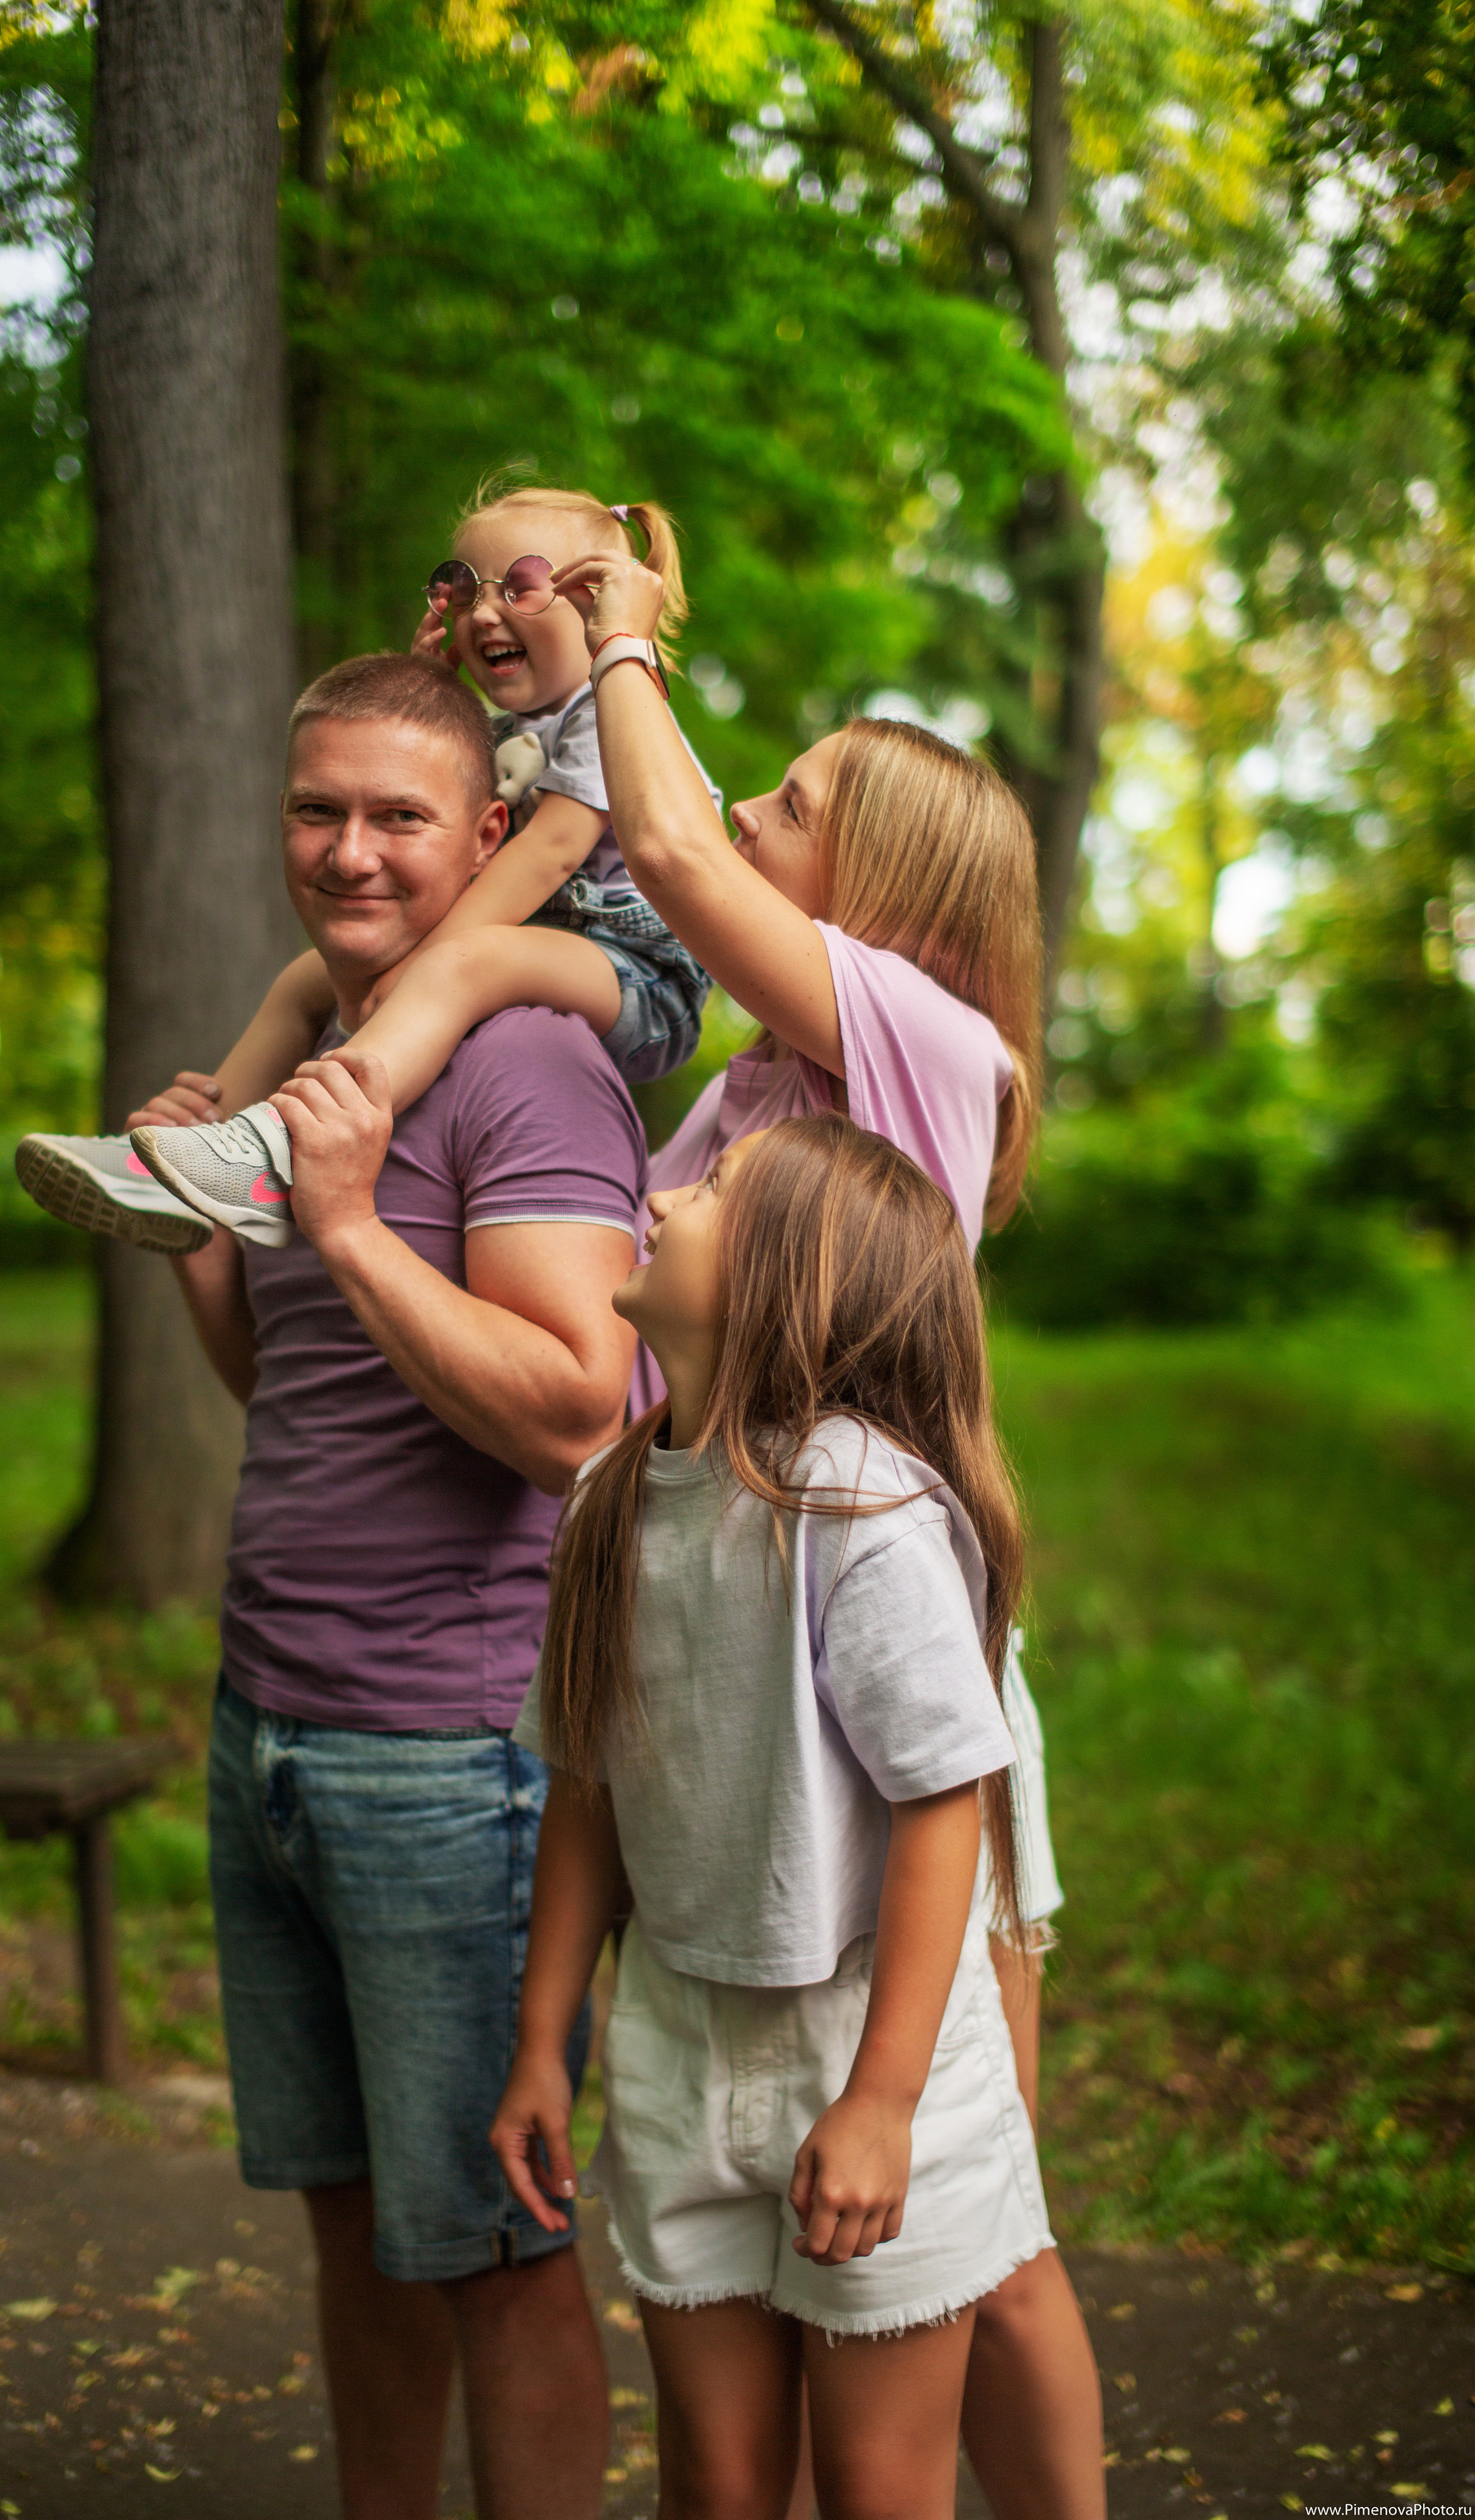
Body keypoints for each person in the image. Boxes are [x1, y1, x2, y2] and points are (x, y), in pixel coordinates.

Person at [544, 541, 1106, 2520]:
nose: (747, 815)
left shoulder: (929, 1064)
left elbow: (681, 858)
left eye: (798, 803)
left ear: (889, 897)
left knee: (981, 2217)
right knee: (911, 2230)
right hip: (727, 1632)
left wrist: (624, 635)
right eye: (759, 782)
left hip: (882, 1673)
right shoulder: (754, 1093)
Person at [158, 650, 649, 2520]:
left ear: (492, 835)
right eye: (318, 810)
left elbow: (570, 1413)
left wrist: (349, 1222)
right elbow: (306, 1405)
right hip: (267, 1732)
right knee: (357, 2223)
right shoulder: (324, 1068)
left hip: (453, 1761)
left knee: (496, 2247)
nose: (349, 852)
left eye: (397, 817)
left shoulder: (521, 1061)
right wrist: (213, 1244)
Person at [493, 1114, 1052, 2519]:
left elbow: (943, 1807)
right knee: (720, 2484)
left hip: (868, 2045)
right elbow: (586, 1792)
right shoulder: (608, 1504)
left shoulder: (857, 1511)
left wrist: (879, 2101)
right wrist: (541, 2045)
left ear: (792, 1277)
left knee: (877, 2486)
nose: (664, 1190)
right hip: (678, 2048)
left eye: (715, 1188)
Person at [14, 481, 714, 1253]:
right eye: (464, 588)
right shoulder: (520, 723)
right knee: (305, 978)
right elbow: (449, 782)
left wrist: (429, 962)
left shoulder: (609, 706)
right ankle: (193, 1153)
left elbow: (549, 850)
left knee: (463, 966)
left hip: (644, 977)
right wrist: (434, 688)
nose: (483, 613)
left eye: (519, 587)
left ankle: (283, 1149)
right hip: (556, 947)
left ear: (595, 611)